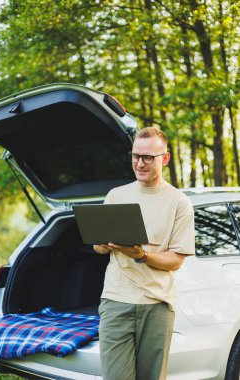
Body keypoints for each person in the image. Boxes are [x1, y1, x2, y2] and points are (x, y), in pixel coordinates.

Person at [94, 126, 195, 380]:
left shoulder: (179, 202)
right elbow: (98, 247)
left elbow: (176, 261)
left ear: (165, 158)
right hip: (116, 300)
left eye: (148, 157)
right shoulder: (116, 196)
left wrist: (141, 255)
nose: (140, 163)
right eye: (135, 156)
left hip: (157, 306)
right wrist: (105, 243)